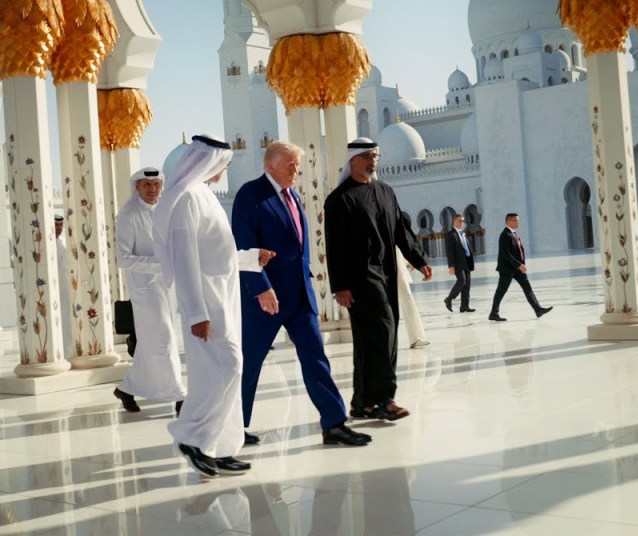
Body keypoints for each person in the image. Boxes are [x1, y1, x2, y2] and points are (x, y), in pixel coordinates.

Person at [232, 140, 372, 447]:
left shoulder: (293, 195)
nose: (296, 170)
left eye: (297, 165)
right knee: (249, 363)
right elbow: (244, 246)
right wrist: (262, 288)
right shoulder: (250, 195)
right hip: (265, 298)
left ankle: (334, 423)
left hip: (299, 297)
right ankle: (233, 428)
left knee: (316, 358)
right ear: (270, 165)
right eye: (290, 164)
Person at [153, 134, 268, 478]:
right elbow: (185, 259)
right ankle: (191, 437)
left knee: (226, 370)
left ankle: (219, 447)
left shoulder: (204, 195)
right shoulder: (188, 198)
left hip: (223, 298)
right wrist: (195, 313)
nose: (224, 171)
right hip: (206, 303)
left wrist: (250, 259)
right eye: (223, 164)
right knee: (227, 367)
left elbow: (216, 252)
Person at [324, 138, 432, 421]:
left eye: (375, 156)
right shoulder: (340, 199)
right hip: (360, 278)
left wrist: (418, 258)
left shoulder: (385, 192)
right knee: (384, 333)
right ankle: (385, 400)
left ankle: (362, 403)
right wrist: (340, 286)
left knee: (371, 340)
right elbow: (335, 247)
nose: (372, 161)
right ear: (352, 161)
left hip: (386, 273)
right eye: (367, 156)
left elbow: (401, 231)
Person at [113, 166, 186, 416]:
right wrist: (160, 264)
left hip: (168, 287)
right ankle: (179, 395)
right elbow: (123, 259)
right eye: (147, 185)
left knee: (153, 341)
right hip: (145, 289)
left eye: (156, 184)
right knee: (163, 338)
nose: (152, 189)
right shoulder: (128, 215)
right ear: (137, 187)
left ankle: (127, 388)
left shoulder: (165, 211)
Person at [488, 213, 553, 322]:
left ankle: (538, 309)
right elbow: (506, 254)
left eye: (518, 220)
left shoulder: (513, 234)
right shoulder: (505, 235)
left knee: (527, 288)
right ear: (508, 221)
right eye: (515, 221)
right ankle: (494, 313)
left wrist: (520, 265)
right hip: (507, 269)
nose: (517, 223)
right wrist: (518, 264)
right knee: (501, 291)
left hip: (517, 269)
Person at [444, 213, 475, 313]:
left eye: (462, 221)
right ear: (454, 221)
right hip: (458, 264)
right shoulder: (450, 234)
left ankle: (464, 306)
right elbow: (449, 251)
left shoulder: (463, 233)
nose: (461, 223)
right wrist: (451, 265)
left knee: (467, 285)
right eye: (459, 221)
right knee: (462, 282)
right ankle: (449, 299)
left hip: (467, 262)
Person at [54, 213, 74, 359]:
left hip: (65, 289)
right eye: (56, 224)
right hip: (56, 291)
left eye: (61, 225)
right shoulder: (49, 245)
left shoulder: (60, 243)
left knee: (67, 320)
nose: (59, 228)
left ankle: (68, 351)